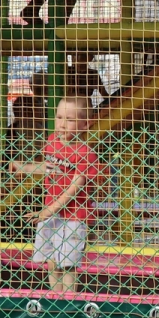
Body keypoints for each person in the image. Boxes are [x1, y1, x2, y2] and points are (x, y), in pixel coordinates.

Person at [8, 96, 105, 292]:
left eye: (69, 119)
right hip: (52, 213)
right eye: (59, 117)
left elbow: (73, 188)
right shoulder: (52, 142)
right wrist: (24, 167)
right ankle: (55, 298)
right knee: (51, 261)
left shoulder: (86, 153)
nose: (62, 124)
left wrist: (48, 211)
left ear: (85, 124)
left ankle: (68, 302)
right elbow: (50, 168)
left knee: (67, 263)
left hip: (74, 216)